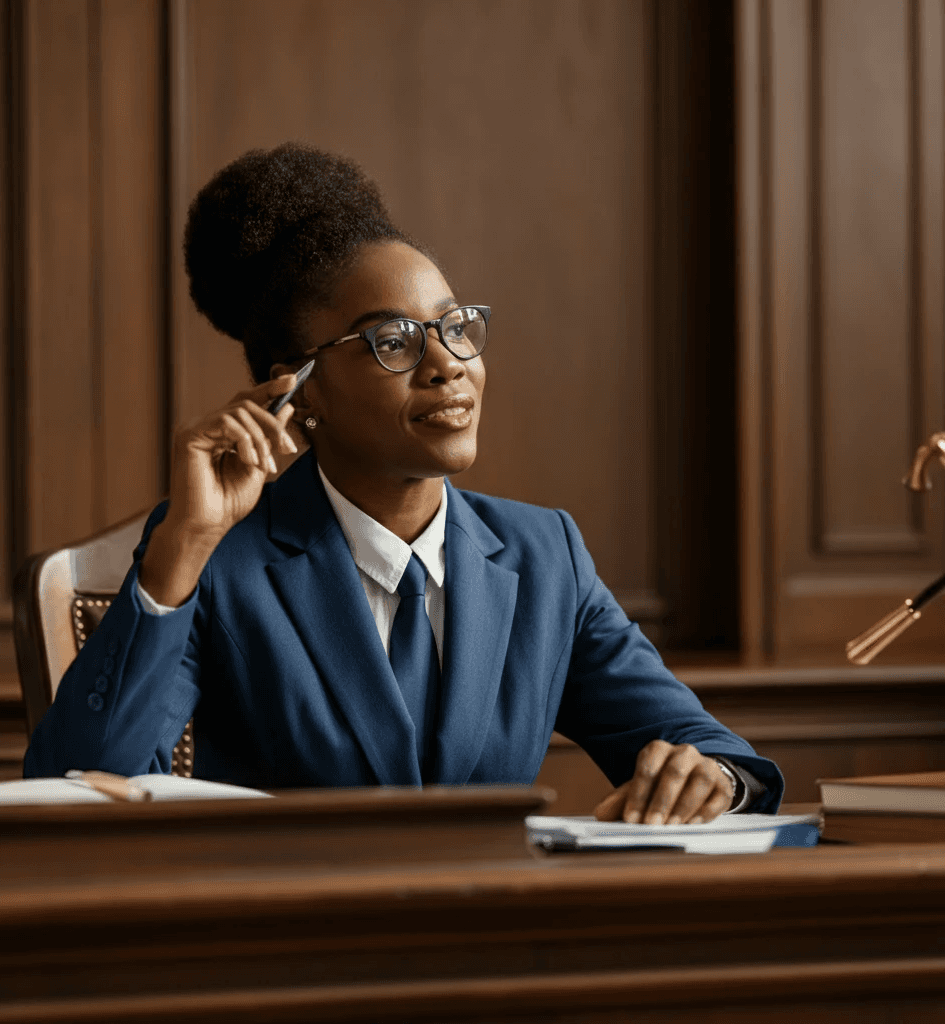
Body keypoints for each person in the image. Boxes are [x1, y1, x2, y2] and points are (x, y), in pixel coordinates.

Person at [24, 144, 783, 824]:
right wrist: (181, 549)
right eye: (393, 341)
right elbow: (79, 789)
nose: (446, 362)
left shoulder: (541, 553)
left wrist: (706, 774)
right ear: (297, 393)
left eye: (456, 326)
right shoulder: (223, 562)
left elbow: (709, 750)